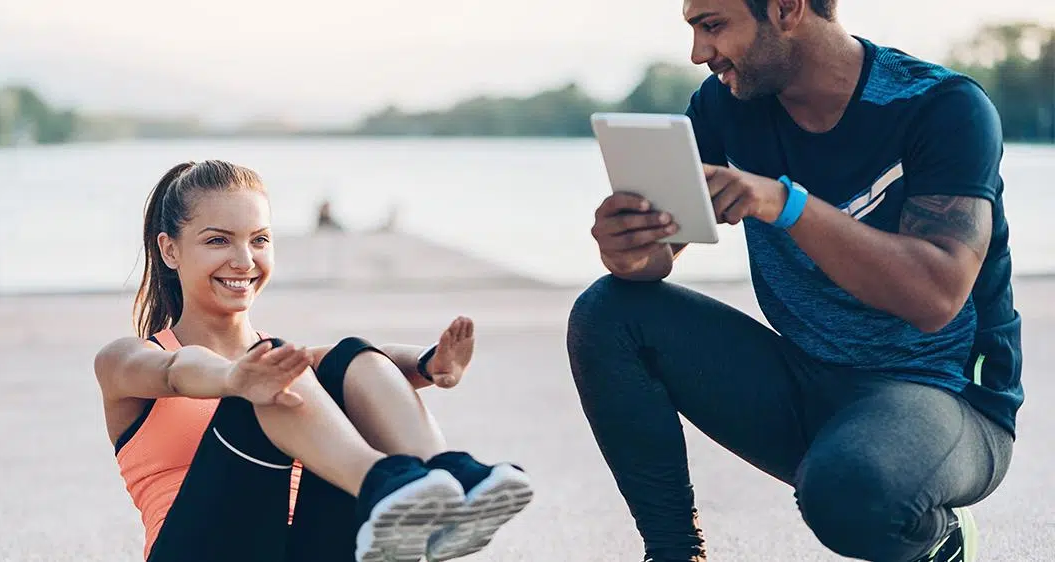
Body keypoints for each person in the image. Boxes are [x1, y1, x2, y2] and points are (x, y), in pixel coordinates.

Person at [566, 1, 1022, 562]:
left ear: (786, 9)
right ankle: (674, 552)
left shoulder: (941, 107)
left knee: (850, 492)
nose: (697, 53)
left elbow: (935, 297)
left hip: (940, 399)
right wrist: (629, 251)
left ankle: (939, 539)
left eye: (712, 26)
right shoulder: (723, 107)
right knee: (609, 312)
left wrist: (785, 204)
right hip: (807, 382)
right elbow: (660, 256)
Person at [93, 160, 533, 562]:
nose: (244, 260)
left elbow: (353, 362)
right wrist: (235, 379)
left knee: (345, 360)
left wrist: (428, 364)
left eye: (259, 239)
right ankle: (383, 484)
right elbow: (177, 371)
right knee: (270, 386)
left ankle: (447, 481)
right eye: (218, 241)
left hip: (302, 548)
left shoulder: (282, 362)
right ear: (170, 251)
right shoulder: (126, 359)